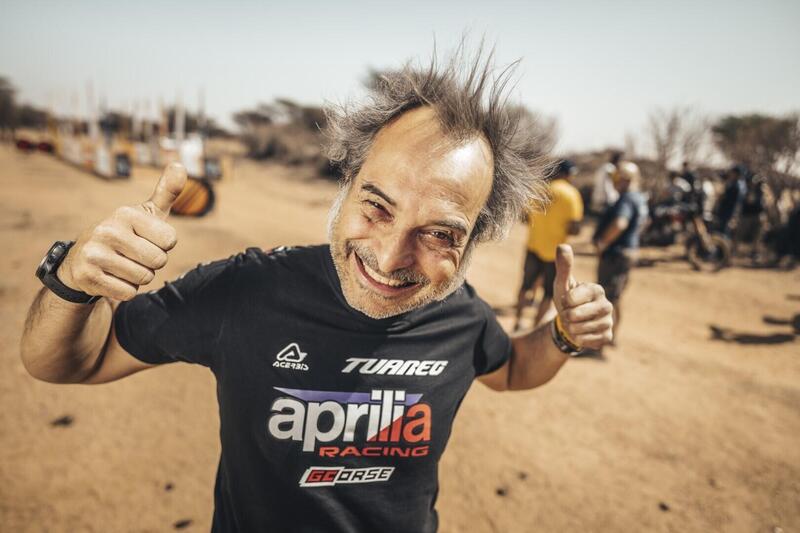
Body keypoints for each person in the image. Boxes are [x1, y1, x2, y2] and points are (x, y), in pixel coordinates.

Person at [20, 52, 614, 533]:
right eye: (377, 207)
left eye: (439, 233)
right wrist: (72, 284)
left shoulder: (461, 316)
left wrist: (564, 335)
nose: (390, 259)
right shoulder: (246, 290)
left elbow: (512, 370)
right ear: (346, 184)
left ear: (475, 239)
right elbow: (69, 361)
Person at [514, 159, 583, 331]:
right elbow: (574, 227)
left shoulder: (539, 189)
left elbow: (524, 218)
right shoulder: (571, 194)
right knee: (548, 294)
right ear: (566, 174)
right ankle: (534, 328)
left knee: (526, 286)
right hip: (555, 253)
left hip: (533, 246)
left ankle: (518, 322)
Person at [592, 161, 648, 345]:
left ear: (626, 179)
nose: (615, 182)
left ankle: (600, 342)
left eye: (618, 178)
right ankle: (611, 337)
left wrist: (603, 242)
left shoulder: (626, 199)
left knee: (607, 299)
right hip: (627, 252)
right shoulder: (639, 198)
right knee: (615, 297)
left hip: (616, 255)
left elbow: (620, 223)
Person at [715, 164, 747, 237]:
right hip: (726, 211)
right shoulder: (734, 183)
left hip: (728, 212)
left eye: (732, 173)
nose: (731, 174)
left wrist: (722, 197)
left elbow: (733, 201)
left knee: (723, 232)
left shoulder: (737, 185)